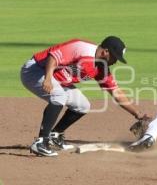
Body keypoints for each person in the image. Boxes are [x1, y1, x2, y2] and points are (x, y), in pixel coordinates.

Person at [21, 36, 150, 156]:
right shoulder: (81, 48)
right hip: (36, 70)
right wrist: (48, 78)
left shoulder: (101, 68)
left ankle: (54, 136)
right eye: (115, 58)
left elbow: (116, 92)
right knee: (59, 96)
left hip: (58, 80)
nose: (115, 62)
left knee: (82, 105)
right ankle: (41, 142)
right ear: (105, 52)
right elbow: (53, 57)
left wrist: (137, 114)